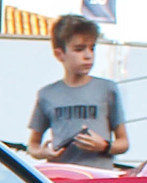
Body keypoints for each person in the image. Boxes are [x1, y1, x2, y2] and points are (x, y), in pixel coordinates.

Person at [28, 13, 128, 163]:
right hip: (62, 177)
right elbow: (33, 144)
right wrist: (43, 152)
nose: (88, 55)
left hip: (98, 178)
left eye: (92, 48)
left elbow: (124, 142)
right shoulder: (47, 95)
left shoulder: (107, 89)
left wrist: (104, 146)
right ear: (59, 54)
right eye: (79, 49)